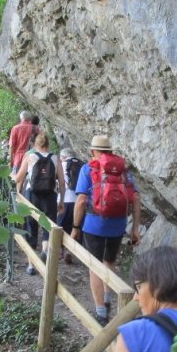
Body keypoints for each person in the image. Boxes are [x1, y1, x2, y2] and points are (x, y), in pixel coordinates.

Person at [72, 134, 141, 325]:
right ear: (110, 151)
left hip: (93, 224)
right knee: (109, 261)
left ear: (92, 151)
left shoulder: (88, 169)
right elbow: (135, 198)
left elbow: (81, 200)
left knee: (94, 266)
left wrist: (75, 227)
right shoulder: (124, 172)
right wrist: (135, 229)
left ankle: (101, 311)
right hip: (118, 224)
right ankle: (108, 296)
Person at [13, 132, 65, 275]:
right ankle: (44, 251)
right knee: (48, 226)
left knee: (31, 227)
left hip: (32, 195)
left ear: (35, 145)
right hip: (50, 196)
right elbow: (61, 182)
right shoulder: (55, 158)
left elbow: (19, 178)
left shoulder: (30, 157)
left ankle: (31, 265)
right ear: (48, 144)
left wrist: (12, 176)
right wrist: (61, 201)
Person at [58, 148, 81, 264]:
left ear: (63, 156)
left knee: (61, 226)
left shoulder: (61, 164)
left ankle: (60, 250)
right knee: (75, 227)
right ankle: (70, 252)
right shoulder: (82, 165)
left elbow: (58, 183)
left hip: (65, 200)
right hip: (79, 202)